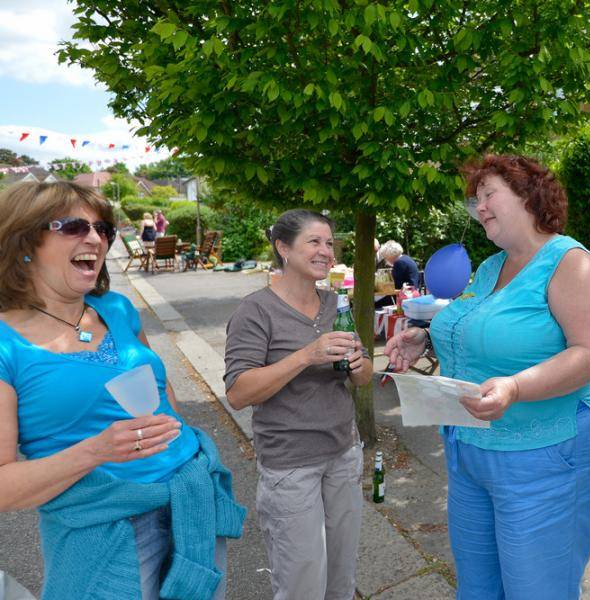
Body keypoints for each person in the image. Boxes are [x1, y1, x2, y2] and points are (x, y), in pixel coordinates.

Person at [386, 155, 590, 598]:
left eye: (489, 194)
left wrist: (516, 387)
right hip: (470, 448)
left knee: (537, 589)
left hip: (545, 454)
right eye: (476, 201)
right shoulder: (493, 266)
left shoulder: (568, 261)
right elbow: (474, 330)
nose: (480, 208)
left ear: (530, 195)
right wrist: (424, 339)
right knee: (478, 588)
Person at [0, 181, 245, 600]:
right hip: (103, 523)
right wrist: (96, 451)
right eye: (74, 226)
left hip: (189, 500)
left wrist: (182, 444)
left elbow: (158, 385)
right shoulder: (6, 343)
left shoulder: (116, 308)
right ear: (25, 242)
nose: (95, 238)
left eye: (103, 229)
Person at [224, 209, 373, 600]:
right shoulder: (255, 310)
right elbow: (239, 392)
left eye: (329, 242)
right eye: (314, 242)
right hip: (291, 466)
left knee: (342, 578)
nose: (325, 250)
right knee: (302, 584)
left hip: (342, 453)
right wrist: (306, 355)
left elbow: (362, 374)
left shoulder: (334, 304)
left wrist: (359, 366)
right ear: (282, 248)